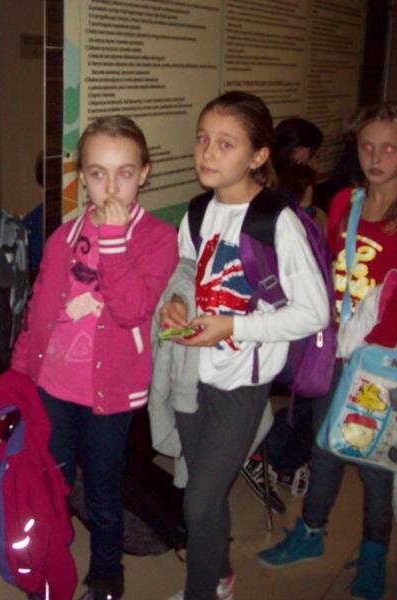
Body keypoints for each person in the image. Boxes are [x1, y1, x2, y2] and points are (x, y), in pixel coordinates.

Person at [159, 91, 329, 600]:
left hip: (241, 385)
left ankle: (202, 591)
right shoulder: (196, 212)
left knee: (197, 502)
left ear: (258, 156)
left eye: (225, 143)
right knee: (204, 494)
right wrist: (177, 303)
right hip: (193, 374)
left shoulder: (275, 221)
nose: (207, 153)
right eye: (202, 139)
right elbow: (186, 270)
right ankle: (219, 573)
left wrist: (233, 327)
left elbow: (313, 312)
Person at [11, 115, 179, 600]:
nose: (111, 188)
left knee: (103, 490)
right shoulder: (63, 237)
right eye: (98, 173)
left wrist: (113, 240)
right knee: (53, 483)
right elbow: (38, 314)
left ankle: (107, 574)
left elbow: (130, 310)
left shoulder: (158, 239)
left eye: (124, 173)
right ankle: (51, 565)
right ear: (82, 176)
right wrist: (21, 376)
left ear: (143, 173)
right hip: (53, 385)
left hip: (109, 392)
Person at [258, 103, 397, 600]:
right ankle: (311, 532)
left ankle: (374, 554)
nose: (376, 156)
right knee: (324, 447)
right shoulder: (344, 202)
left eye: (389, 148)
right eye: (367, 146)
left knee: (376, 465)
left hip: (383, 362)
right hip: (336, 351)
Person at [240, 116, 327, 512]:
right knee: (314, 387)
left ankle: (276, 455)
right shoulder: (294, 212)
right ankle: (277, 457)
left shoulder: (262, 197)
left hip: (262, 330)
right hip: (283, 335)